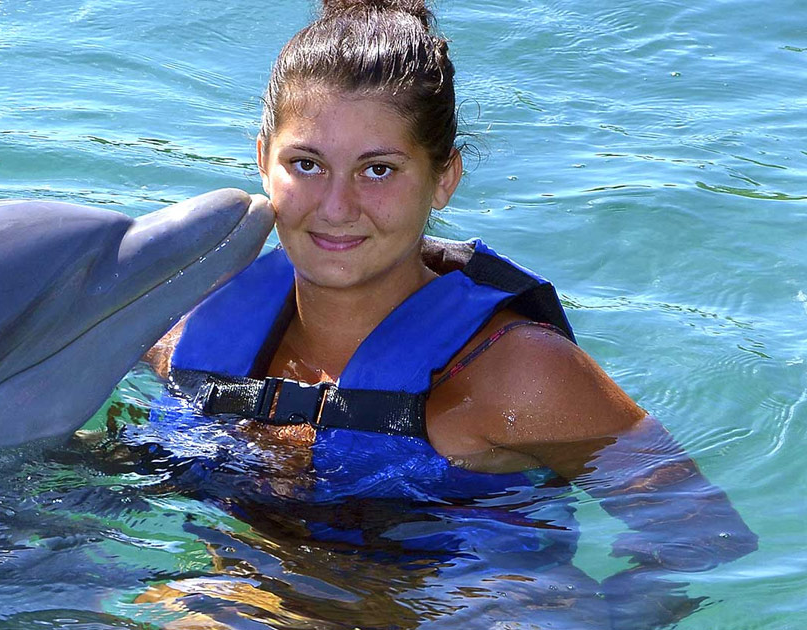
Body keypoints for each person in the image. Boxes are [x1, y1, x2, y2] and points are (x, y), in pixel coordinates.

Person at [128, 0, 755, 626]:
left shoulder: (515, 375)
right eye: (307, 165)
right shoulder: (185, 328)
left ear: (443, 177)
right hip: (238, 593)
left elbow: (701, 534)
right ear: (263, 160)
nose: (337, 206)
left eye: (378, 170)